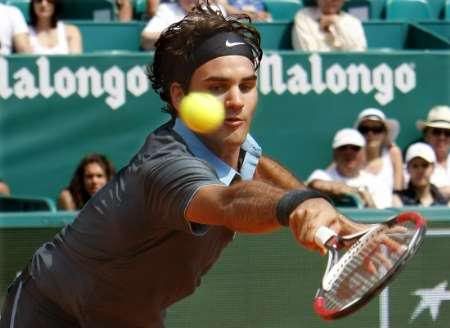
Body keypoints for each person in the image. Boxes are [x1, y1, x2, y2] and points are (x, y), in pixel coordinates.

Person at [0, 4, 369, 327]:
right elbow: (226, 203)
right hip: (51, 310)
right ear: (180, 96)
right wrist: (294, 206)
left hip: (129, 314)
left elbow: (254, 166)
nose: (236, 101)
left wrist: (315, 205)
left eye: (247, 84)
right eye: (217, 87)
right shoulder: (164, 166)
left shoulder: (228, 142)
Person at [307, 128, 384, 208]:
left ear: (364, 152)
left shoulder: (376, 183)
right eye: (343, 148)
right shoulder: (321, 175)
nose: (348, 152)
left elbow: (382, 215)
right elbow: (314, 184)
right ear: (334, 153)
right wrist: (351, 192)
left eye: (355, 148)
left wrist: (370, 205)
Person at [354, 108, 403, 208]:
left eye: (377, 129)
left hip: (388, 215)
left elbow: (398, 191)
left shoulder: (393, 154)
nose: (370, 134)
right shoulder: (350, 156)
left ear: (385, 133)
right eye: (365, 129)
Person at [140, 0, 226, 50]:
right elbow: (146, 38)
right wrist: (181, 33)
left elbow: (219, 39)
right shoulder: (167, 9)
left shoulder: (215, 10)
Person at [291, 0, 367, 51]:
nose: (330, 0)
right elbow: (306, 53)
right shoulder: (304, 17)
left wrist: (337, 23)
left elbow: (358, 53)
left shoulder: (353, 22)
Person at [393, 143, 448, 207]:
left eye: (425, 165)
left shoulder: (444, 202)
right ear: (407, 169)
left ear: (433, 168)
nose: (420, 171)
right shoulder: (398, 200)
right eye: (415, 166)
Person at [416, 105, 450, 199]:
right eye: (437, 132)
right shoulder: (415, 162)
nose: (442, 137)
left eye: (447, 133)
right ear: (426, 135)